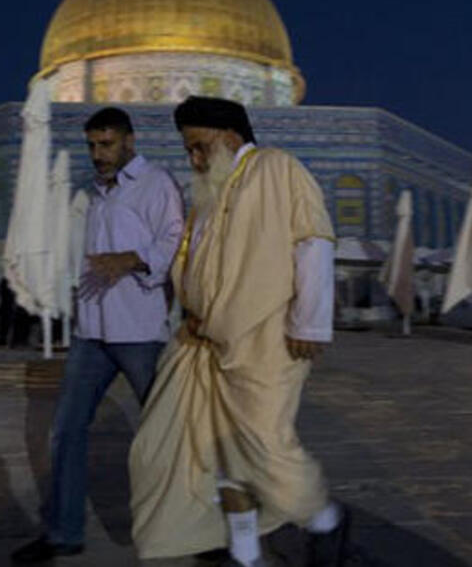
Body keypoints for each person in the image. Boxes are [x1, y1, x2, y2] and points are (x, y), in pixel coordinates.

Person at [129, 96, 349, 567]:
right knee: (218, 453)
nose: (194, 159)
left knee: (265, 444)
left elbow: (311, 240)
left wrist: (309, 322)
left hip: (266, 338)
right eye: (188, 150)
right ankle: (245, 552)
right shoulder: (211, 191)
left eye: (199, 146)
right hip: (205, 345)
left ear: (229, 137)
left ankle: (324, 518)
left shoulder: (275, 168)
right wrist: (189, 310)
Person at [11, 107, 184, 563]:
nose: (97, 154)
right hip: (92, 331)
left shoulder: (157, 183)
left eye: (105, 144)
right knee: (66, 431)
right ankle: (63, 532)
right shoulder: (97, 192)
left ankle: (202, 528)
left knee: (170, 431)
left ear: (129, 141)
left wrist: (132, 258)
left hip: (139, 330)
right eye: (91, 145)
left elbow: (175, 240)